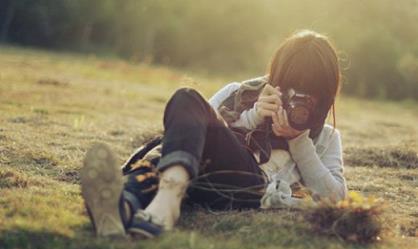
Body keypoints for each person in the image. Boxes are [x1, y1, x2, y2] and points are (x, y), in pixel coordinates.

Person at [80, 30, 347, 238]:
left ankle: (161, 203)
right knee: (186, 102)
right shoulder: (238, 93)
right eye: (292, 88)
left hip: (250, 187)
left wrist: (299, 142)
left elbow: (335, 199)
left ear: (325, 97)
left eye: (310, 95)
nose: (299, 101)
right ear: (277, 79)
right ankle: (122, 208)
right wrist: (252, 116)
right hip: (197, 176)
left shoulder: (325, 138)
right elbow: (191, 132)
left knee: (171, 157)